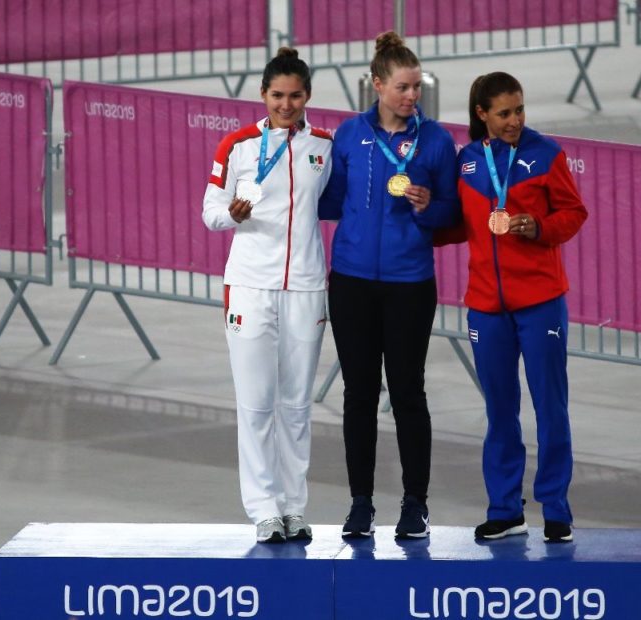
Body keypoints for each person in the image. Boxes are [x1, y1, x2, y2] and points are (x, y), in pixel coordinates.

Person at [436, 71, 587, 543]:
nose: (515, 120)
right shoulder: (466, 163)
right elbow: (460, 225)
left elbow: (573, 213)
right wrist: (417, 219)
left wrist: (536, 227)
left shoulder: (546, 154)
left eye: (519, 109)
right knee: (500, 410)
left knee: (550, 406)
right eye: (504, 113)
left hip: (540, 302)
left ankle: (556, 509)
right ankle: (505, 508)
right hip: (485, 305)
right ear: (481, 114)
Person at [318, 31, 458, 539]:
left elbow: (452, 210)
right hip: (352, 281)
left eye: (416, 87)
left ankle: (415, 504)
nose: (412, 96)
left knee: (407, 393)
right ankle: (360, 503)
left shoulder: (437, 140)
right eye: (402, 87)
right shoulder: (349, 136)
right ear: (376, 85)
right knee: (357, 394)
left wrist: (428, 207)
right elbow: (329, 200)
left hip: (408, 284)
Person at [202, 48, 333, 543]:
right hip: (250, 287)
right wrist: (231, 215)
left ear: (307, 97)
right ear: (262, 95)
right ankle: (263, 509)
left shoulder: (324, 145)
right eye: (277, 95)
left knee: (297, 406)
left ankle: (295, 506)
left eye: (295, 95)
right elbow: (209, 211)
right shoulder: (235, 145)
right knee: (256, 404)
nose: (286, 104)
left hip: (306, 287)